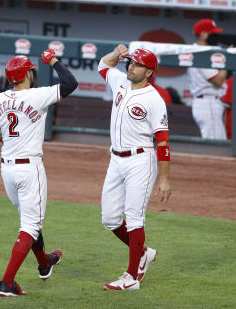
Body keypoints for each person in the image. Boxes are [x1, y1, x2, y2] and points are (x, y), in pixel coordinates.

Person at [0, 49, 78, 296]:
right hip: (29, 169)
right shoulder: (37, 96)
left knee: (29, 222)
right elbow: (70, 83)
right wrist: (52, 60)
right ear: (28, 74)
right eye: (31, 69)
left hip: (7, 171)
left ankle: (44, 263)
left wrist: (3, 136)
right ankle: (7, 282)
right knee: (30, 226)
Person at [97, 45, 171, 290]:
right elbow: (102, 65)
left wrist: (164, 178)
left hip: (141, 160)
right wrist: (116, 54)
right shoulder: (119, 81)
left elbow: (162, 141)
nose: (131, 66)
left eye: (137, 64)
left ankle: (131, 278)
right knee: (109, 218)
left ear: (149, 72)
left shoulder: (154, 99)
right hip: (115, 159)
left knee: (135, 218)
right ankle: (143, 252)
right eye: (130, 62)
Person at [187, 18, 228, 139]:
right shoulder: (199, 53)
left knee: (217, 141)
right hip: (207, 102)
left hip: (209, 102)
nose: (216, 36)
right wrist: (226, 61)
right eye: (213, 33)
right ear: (204, 34)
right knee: (215, 145)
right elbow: (218, 80)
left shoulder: (204, 51)